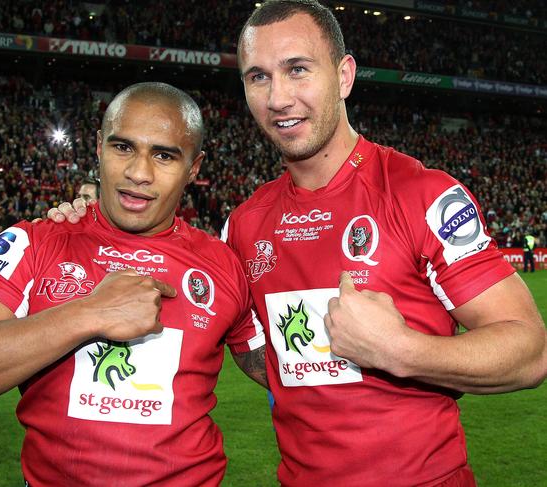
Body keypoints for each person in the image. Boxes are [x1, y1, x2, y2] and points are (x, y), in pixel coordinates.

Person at [49, 2, 546, 485]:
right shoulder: (244, 226)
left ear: (345, 76)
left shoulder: (421, 193)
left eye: (298, 70)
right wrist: (83, 224)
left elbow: (530, 352)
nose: (278, 98)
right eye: (258, 76)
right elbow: (250, 345)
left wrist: (403, 352)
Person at [0, 82, 267, 486]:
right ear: (99, 147)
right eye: (123, 147)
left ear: (194, 168)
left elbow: (291, 372)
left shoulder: (223, 264)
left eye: (164, 155)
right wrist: (89, 313)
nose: (138, 173)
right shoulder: (36, 242)